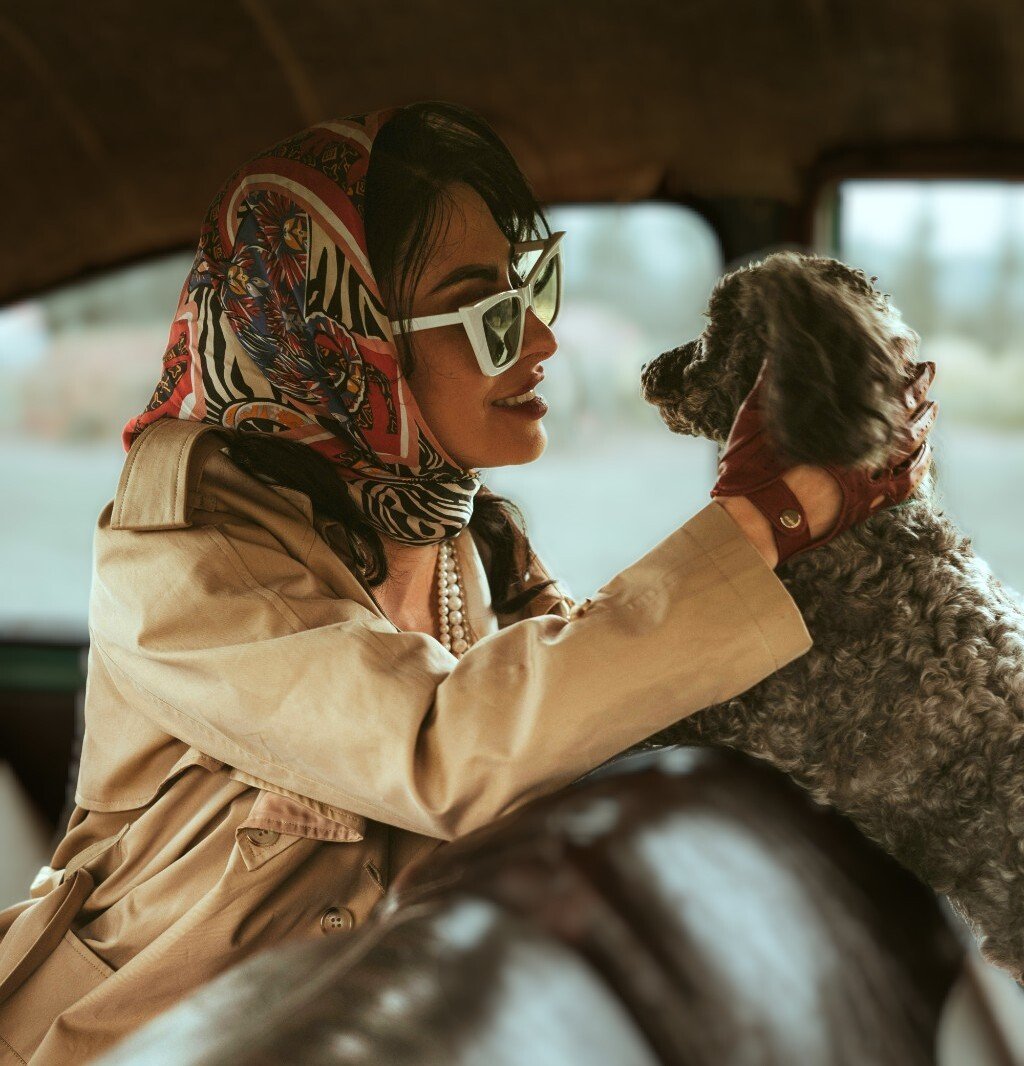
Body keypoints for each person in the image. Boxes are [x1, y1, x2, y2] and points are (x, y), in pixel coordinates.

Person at [0, 102, 935, 1064]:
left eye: (531, 289)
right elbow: (439, 747)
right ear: (339, 333)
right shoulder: (184, 557)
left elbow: (590, 703)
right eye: (487, 312)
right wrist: (760, 518)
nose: (539, 340)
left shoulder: (458, 532)